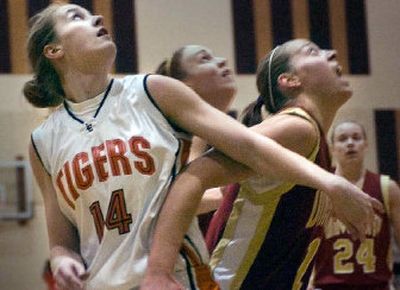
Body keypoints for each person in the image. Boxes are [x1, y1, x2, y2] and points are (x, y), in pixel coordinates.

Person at [24, 4, 380, 289]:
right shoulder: (44, 142)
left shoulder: (151, 91)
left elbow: (249, 146)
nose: (97, 17)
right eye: (77, 17)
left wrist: (330, 182)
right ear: (53, 50)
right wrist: (61, 259)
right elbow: (61, 239)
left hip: (178, 276)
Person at [141, 39, 383, 290]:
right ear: (290, 80)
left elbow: (230, 195)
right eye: (313, 51)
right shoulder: (298, 128)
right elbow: (195, 173)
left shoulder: (311, 140)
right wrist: (159, 271)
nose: (332, 53)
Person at [308, 121, 400, 290]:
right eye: (343, 139)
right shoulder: (320, 188)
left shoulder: (387, 188)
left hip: (376, 285)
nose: (350, 143)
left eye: (356, 138)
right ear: (332, 148)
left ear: (366, 144)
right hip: (327, 285)